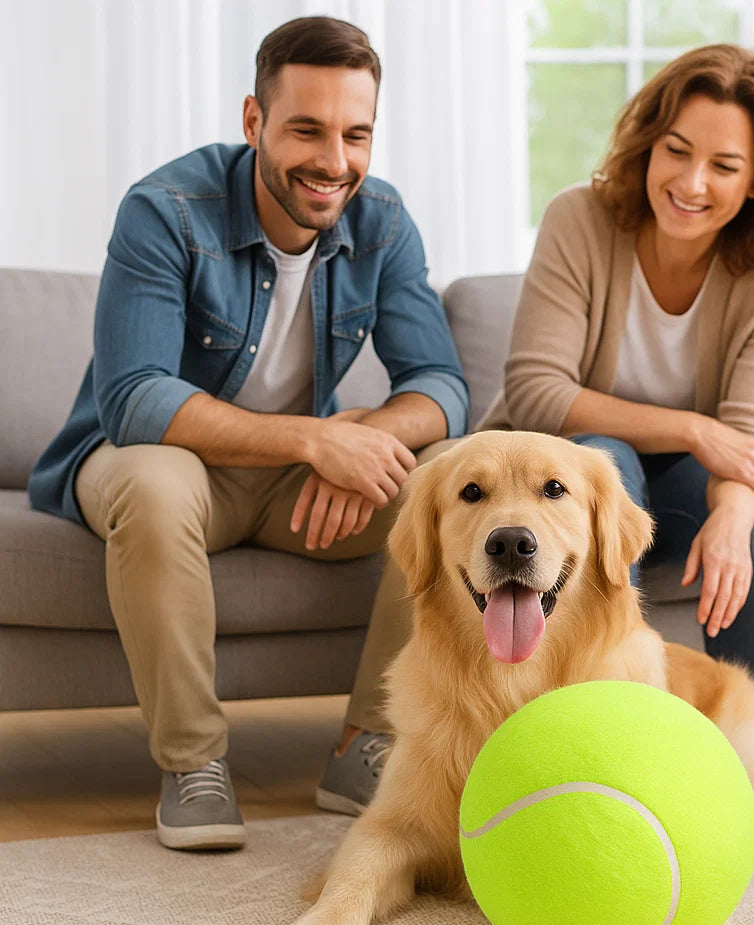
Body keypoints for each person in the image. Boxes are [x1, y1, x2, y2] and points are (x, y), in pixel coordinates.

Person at [27, 16, 468, 851]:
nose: (333, 161)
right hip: (158, 464)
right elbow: (135, 400)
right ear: (254, 121)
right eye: (306, 129)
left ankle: (369, 746)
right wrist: (313, 440)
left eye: (355, 134)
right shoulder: (165, 210)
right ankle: (193, 764)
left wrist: (363, 440)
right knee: (156, 481)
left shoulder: (381, 220)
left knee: (451, 475)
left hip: (290, 486)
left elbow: (443, 387)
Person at [480, 43, 754, 702]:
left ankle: (743, 738)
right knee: (608, 462)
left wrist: (732, 518)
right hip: (578, 455)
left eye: (723, 166)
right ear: (648, 145)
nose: (692, 183)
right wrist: (693, 429)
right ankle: (588, 719)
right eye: (677, 151)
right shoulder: (578, 218)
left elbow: (748, 437)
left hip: (689, 480)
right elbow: (536, 392)